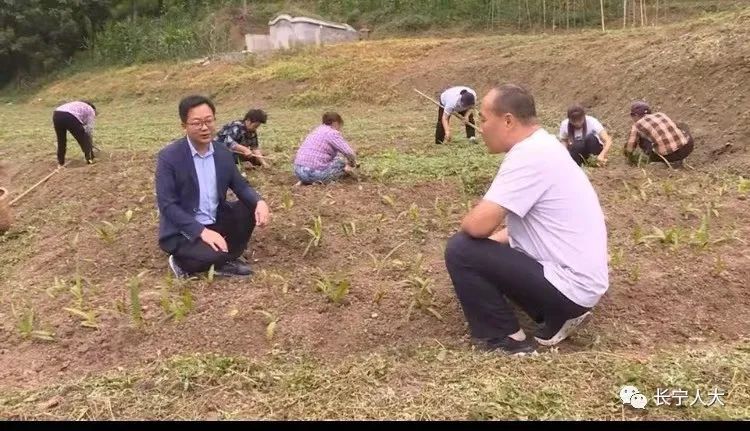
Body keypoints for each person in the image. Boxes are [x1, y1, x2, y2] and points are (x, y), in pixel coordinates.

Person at [444, 84, 609, 355]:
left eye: (484, 119)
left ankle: (508, 340)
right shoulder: (544, 146)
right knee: (482, 250)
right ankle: (559, 316)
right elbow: (530, 226)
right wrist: (492, 251)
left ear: (507, 120)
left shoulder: (528, 157)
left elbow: (476, 226)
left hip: (570, 288)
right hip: (582, 284)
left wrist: (481, 254)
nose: (481, 127)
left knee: (461, 250)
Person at [155, 95, 271, 279]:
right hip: (184, 230)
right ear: (183, 126)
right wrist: (201, 232)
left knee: (248, 208)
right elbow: (167, 205)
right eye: (197, 123)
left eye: (209, 121)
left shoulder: (223, 153)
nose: (204, 127)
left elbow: (241, 186)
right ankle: (182, 261)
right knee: (214, 253)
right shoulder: (169, 157)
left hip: (215, 220)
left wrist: (259, 202)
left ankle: (221, 258)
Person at [293, 112, 357, 185]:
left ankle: (305, 180)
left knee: (335, 159)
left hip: (298, 171)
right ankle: (317, 180)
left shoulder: (317, 130)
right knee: (341, 164)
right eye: (340, 125)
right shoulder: (332, 133)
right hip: (313, 173)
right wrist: (351, 164)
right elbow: (349, 153)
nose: (340, 128)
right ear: (336, 123)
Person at [625, 101, 694, 166]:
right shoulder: (660, 114)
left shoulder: (637, 126)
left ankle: (669, 161)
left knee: (642, 140)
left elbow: (629, 148)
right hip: (688, 147)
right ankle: (678, 158)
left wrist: (630, 158)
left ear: (635, 115)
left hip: (669, 155)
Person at [53, 100, 97, 167]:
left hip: (57, 114)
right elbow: (89, 129)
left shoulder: (78, 105)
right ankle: (90, 159)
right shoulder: (91, 110)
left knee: (61, 141)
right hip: (69, 116)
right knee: (84, 138)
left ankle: (60, 162)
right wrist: (89, 141)